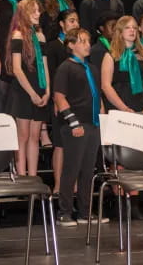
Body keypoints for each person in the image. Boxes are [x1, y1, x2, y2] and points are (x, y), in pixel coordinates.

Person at [101, 15, 143, 219]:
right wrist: (123, 108)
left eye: (134, 28)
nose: (132, 31)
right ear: (120, 31)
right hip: (119, 109)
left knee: (136, 156)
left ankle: (134, 202)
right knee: (120, 158)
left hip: (140, 108)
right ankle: (119, 203)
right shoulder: (111, 55)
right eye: (128, 28)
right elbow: (106, 86)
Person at [54, 28, 107, 226]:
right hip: (75, 125)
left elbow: (97, 95)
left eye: (88, 41)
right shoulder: (65, 68)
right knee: (72, 169)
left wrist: (101, 120)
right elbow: (59, 96)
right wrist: (73, 122)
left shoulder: (92, 68)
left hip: (92, 124)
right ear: (71, 44)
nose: (87, 45)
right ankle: (65, 212)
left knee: (88, 170)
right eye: (82, 41)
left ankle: (85, 211)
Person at [5, 0, 50, 176]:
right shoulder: (18, 35)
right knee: (22, 136)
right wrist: (31, 93)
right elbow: (17, 69)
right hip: (24, 92)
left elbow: (45, 66)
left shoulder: (40, 36)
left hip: (39, 90)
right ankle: (21, 175)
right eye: (34, 11)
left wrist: (47, 91)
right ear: (24, 14)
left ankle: (33, 176)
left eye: (39, 10)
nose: (38, 14)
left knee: (35, 137)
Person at [38, 0, 75, 147]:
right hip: (50, 47)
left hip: (66, 47)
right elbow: (41, 26)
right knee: (48, 84)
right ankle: (43, 132)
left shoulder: (67, 0)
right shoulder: (43, 0)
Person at [45, 10, 80, 194]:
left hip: (78, 101)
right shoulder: (53, 47)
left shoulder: (79, 48)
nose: (75, 24)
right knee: (60, 145)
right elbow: (50, 75)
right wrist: (56, 100)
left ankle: (73, 185)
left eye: (77, 21)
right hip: (60, 100)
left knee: (75, 146)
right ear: (62, 24)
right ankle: (59, 184)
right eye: (71, 21)